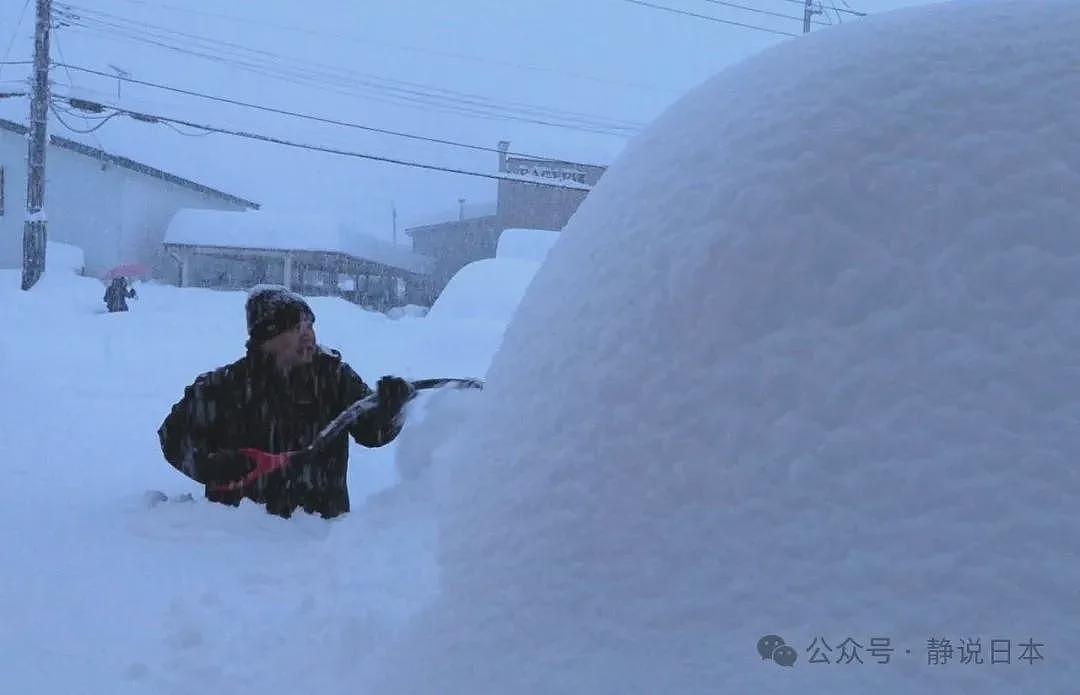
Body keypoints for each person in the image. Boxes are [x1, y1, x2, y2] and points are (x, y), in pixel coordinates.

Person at [157, 285, 412, 519]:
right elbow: (173, 437)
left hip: (319, 540)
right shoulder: (224, 387)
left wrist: (390, 409)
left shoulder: (334, 378)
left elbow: (372, 432)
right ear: (265, 338)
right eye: (294, 328)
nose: (308, 336)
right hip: (238, 541)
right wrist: (210, 466)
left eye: (309, 326)